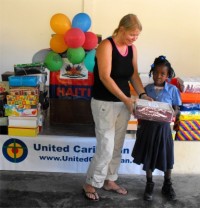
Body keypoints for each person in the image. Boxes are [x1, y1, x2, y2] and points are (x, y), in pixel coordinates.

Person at [82, 14, 152, 201]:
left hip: (123, 104)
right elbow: (105, 77)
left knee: (117, 146)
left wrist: (143, 95)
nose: (134, 38)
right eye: (132, 34)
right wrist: (127, 99)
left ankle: (109, 180)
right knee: (106, 146)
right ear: (121, 29)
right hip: (104, 103)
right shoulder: (106, 46)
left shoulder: (132, 49)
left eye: (137, 35)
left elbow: (134, 75)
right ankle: (91, 183)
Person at [132, 55, 182, 201]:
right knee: (149, 155)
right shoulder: (146, 89)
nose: (158, 76)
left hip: (163, 129)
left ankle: (167, 184)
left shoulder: (172, 90)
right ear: (152, 72)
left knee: (165, 155)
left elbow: (177, 108)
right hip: (148, 128)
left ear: (168, 75)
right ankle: (149, 183)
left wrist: (174, 113)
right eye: (156, 73)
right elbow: (141, 106)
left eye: (162, 74)